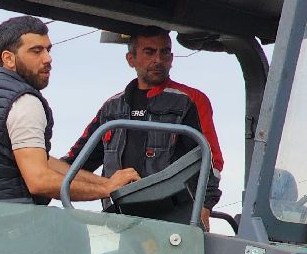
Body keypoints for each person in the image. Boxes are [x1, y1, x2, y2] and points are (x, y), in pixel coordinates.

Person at [0, 15, 140, 204]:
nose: (48, 58)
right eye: (36, 51)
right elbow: (39, 181)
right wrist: (105, 189)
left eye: (48, 49)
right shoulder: (24, 102)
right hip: (11, 222)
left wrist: (106, 182)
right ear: (8, 58)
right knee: (76, 231)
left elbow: (41, 160)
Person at [62, 26, 223, 227]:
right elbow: (76, 162)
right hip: (120, 221)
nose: (158, 59)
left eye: (164, 52)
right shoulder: (111, 108)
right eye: (149, 52)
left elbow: (210, 160)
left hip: (171, 221)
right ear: (131, 59)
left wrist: (204, 206)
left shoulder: (190, 101)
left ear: (172, 58)